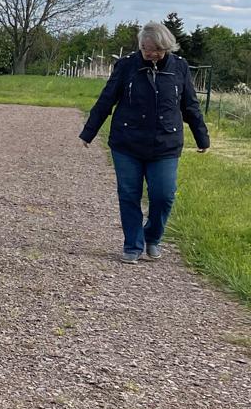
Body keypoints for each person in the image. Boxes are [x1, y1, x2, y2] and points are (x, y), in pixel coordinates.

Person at [79, 21, 210, 263]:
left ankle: (152, 237)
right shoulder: (126, 65)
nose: (151, 54)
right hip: (127, 142)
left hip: (165, 143)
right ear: (140, 46)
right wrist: (89, 132)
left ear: (167, 47)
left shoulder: (180, 67)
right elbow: (107, 99)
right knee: (129, 193)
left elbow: (190, 105)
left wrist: (202, 137)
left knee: (164, 195)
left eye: (157, 50)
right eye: (145, 49)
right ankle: (133, 244)